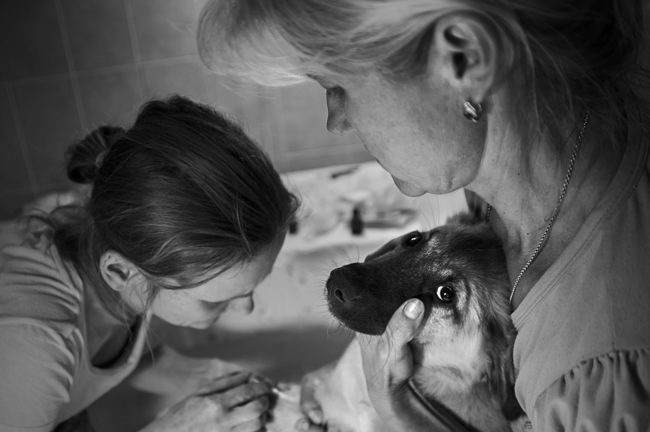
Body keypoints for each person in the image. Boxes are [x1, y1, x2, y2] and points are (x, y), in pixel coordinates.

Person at [197, 0, 650, 430]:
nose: (335, 120)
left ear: (465, 61)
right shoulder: (516, 193)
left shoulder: (593, 380)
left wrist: (393, 410)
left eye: (338, 87)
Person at [0, 95, 299, 432]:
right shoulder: (34, 346)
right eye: (217, 299)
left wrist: (219, 380)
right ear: (120, 272)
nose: (246, 308)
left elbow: (129, 353)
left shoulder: (121, 245)